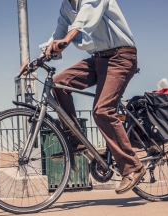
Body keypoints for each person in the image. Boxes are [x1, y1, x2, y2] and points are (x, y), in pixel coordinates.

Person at [44, 0, 145, 194]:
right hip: (99, 58)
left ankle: (133, 167)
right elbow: (58, 33)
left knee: (102, 111)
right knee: (59, 83)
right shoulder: (66, 7)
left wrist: (66, 40)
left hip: (121, 57)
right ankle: (74, 140)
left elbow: (84, 20)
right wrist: (40, 56)